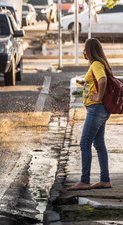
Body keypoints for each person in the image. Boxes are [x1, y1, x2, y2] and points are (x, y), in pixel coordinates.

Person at [68, 38, 112, 191]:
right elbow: (96, 80)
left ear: (90, 51)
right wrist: (84, 83)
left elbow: (103, 80)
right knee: (99, 144)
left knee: (85, 143)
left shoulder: (96, 64)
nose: (84, 52)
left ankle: (84, 181)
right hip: (99, 110)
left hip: (96, 109)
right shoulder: (98, 64)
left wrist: (98, 97)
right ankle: (105, 180)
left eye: (85, 49)